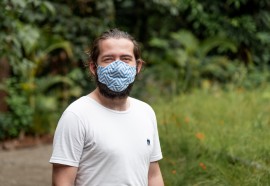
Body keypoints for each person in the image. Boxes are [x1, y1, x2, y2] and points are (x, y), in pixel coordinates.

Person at [49, 28, 164, 186]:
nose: (117, 66)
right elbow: (62, 182)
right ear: (93, 68)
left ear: (138, 67)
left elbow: (153, 175)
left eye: (125, 58)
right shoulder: (76, 115)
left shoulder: (146, 112)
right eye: (109, 59)